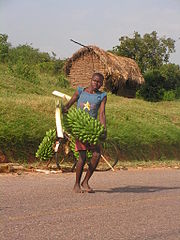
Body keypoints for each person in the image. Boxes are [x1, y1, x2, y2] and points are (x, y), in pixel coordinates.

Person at [63, 72, 107, 193]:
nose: (96, 84)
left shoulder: (102, 96)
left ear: (101, 84)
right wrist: (63, 109)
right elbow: (70, 102)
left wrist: (103, 128)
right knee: (82, 157)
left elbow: (102, 113)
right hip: (80, 128)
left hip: (92, 129)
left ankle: (85, 181)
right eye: (94, 81)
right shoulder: (80, 91)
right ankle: (76, 184)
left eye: (99, 82)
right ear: (91, 80)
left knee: (96, 155)